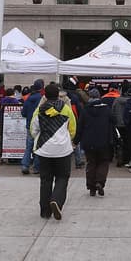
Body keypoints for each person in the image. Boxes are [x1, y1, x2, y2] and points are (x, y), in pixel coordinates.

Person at [30, 83, 77, 220]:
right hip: (62, 150)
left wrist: (39, 139)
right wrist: (67, 139)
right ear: (58, 95)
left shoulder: (39, 110)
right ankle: (56, 200)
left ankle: (45, 211)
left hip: (44, 149)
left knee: (46, 179)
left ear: (45, 96)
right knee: (62, 177)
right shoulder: (66, 109)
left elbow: (33, 129)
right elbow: (73, 128)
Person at [78, 86, 114, 196]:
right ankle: (100, 182)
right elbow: (113, 123)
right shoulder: (106, 110)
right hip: (104, 141)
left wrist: (76, 140)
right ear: (99, 97)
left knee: (91, 163)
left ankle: (91, 187)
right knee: (103, 162)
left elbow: (80, 127)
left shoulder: (85, 110)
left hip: (88, 141)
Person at [20, 79, 44, 175]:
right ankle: (36, 167)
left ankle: (25, 165)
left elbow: (23, 113)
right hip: (39, 125)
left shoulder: (29, 98)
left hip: (29, 125)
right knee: (37, 147)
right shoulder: (42, 98)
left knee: (28, 147)